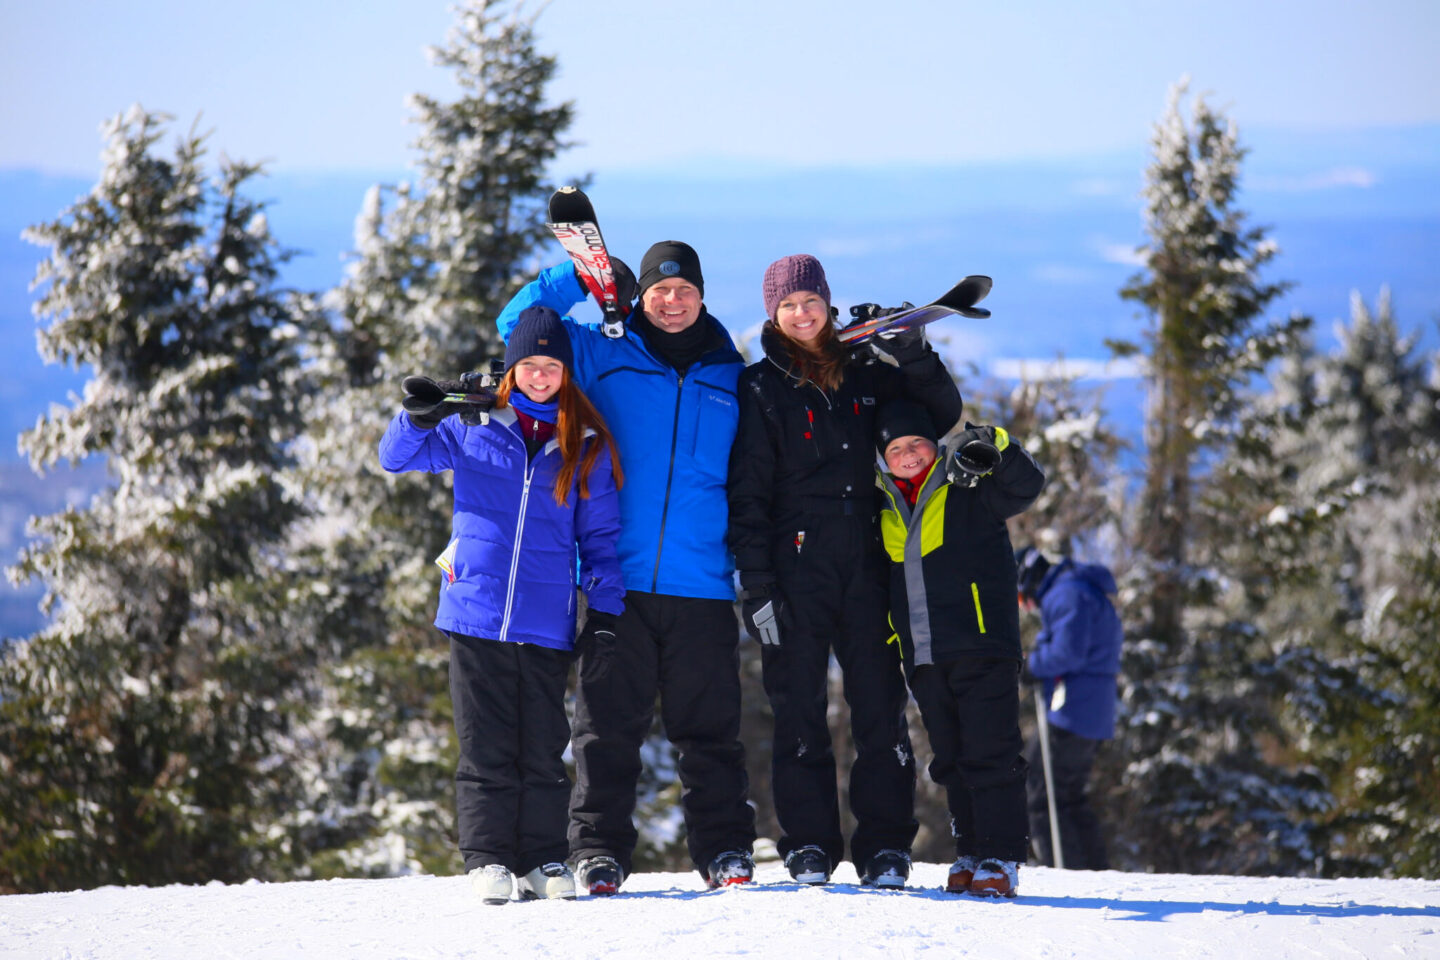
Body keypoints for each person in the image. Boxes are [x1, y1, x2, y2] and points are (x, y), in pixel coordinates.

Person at [495, 242, 757, 893]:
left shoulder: (734, 376)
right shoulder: (602, 354)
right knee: (606, 728)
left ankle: (724, 851)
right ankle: (597, 850)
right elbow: (519, 330)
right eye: (660, 291)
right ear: (641, 295)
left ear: (701, 296)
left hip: (703, 584)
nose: (672, 303)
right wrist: (577, 277)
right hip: (618, 580)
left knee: (712, 732)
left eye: (684, 291)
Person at [727, 254, 963, 888]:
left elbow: (936, 417)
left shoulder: (865, 371)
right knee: (797, 709)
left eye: (811, 302)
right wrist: (757, 584)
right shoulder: (759, 387)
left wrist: (912, 352)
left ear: (828, 305)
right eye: (788, 305)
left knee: (880, 709)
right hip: (794, 564)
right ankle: (808, 844)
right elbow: (746, 495)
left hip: (869, 561)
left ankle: (886, 846)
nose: (801, 314)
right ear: (771, 314)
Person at [377, 305, 625, 905]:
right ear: (511, 370)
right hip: (475, 608)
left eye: (551, 366)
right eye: (529, 365)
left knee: (542, 746)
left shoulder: (584, 445)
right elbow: (396, 458)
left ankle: (542, 860)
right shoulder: (473, 427)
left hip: (546, 618)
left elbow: (601, 542)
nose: (540, 376)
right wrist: (417, 415)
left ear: (565, 373)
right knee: (485, 743)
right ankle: (488, 859)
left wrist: (607, 612)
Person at [874, 402, 1045, 898]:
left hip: (981, 642)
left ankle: (1002, 855)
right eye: (895, 449)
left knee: (991, 751)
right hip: (924, 653)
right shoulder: (883, 503)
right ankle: (970, 849)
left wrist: (994, 443)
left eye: (916, 444)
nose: (907, 456)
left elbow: (1025, 486)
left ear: (935, 446)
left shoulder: (967, 485)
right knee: (951, 756)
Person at [1016, 546, 1122, 871]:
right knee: (1068, 797)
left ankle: (1067, 874)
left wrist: (1031, 666)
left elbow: (1068, 652)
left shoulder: (1066, 594)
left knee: (1040, 793)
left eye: (1024, 599)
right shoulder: (1076, 590)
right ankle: (1094, 871)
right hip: (1090, 708)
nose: (1029, 607)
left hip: (1074, 709)